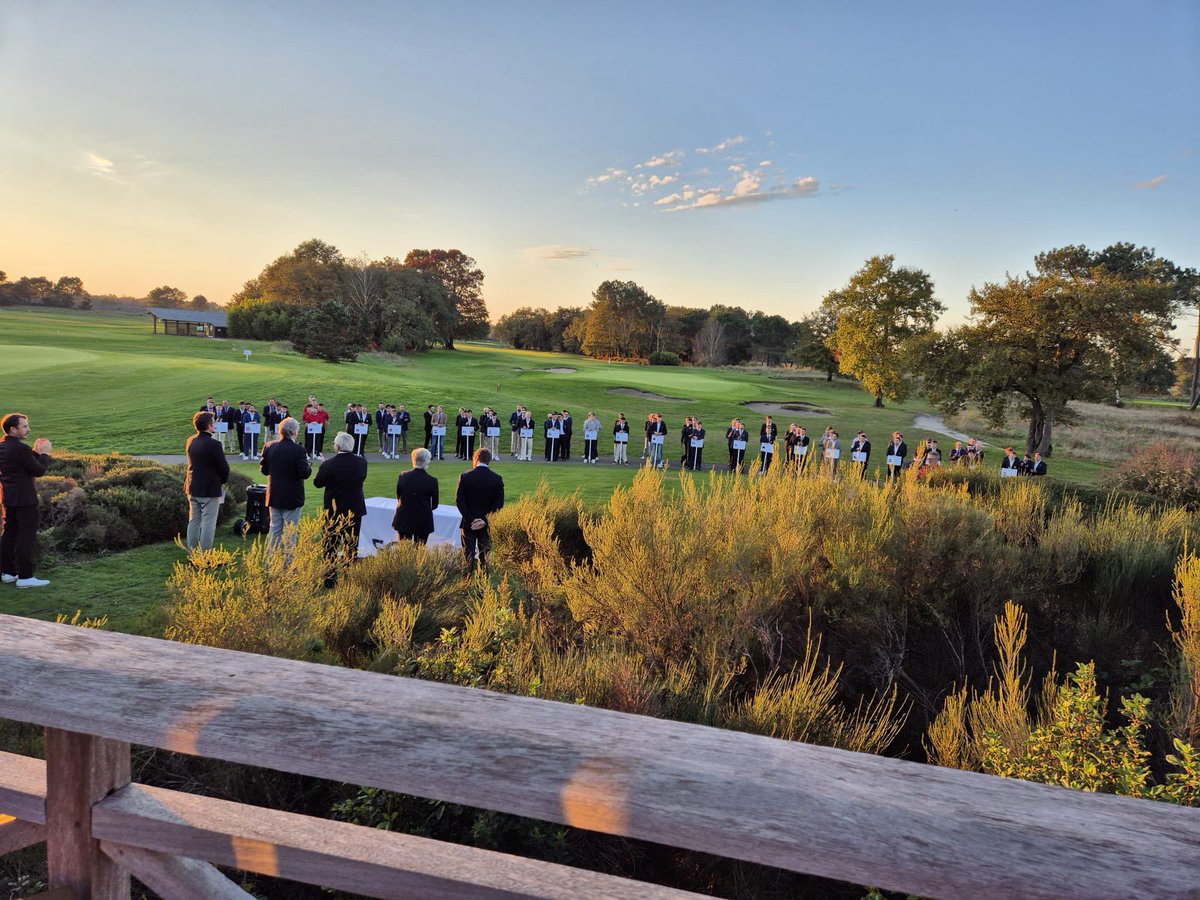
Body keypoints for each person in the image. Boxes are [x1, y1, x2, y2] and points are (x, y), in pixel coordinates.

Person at [0, 413, 52, 588]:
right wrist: (44, 453)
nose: (28, 429)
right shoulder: (20, 449)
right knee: (26, 537)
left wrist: (35, 452)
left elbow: (25, 464)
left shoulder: (3, 446)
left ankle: (8, 572)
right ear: (13, 429)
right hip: (25, 500)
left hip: (9, 498)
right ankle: (25, 577)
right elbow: (38, 471)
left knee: (9, 533)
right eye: (24, 426)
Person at [313, 431, 368, 585]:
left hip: (334, 510)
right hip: (354, 508)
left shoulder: (328, 464)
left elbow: (318, 483)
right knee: (351, 544)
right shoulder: (361, 462)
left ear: (337, 447)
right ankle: (348, 575)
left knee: (330, 544)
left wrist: (324, 466)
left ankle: (329, 578)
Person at [259, 417, 312, 554]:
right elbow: (304, 474)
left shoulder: (269, 446)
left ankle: (271, 564)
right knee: (290, 533)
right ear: (294, 432)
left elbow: (264, 470)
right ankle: (288, 567)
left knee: (275, 529)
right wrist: (308, 465)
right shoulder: (299, 450)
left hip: (274, 494)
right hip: (291, 496)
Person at [184, 411, 230, 553]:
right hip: (209, 488)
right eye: (213, 422)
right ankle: (205, 554)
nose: (215, 424)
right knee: (208, 522)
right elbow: (224, 467)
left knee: (194, 521)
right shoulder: (214, 444)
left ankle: (193, 552)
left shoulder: (191, 440)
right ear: (209, 426)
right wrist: (222, 481)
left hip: (192, 486)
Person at [456, 447, 505, 575]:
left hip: (468, 523)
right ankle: (483, 588)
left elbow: (460, 501)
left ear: (476, 458)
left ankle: (465, 585)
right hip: (486, 524)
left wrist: (471, 519)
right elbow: (499, 504)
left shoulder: (465, 477)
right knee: (484, 557)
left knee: (467, 555)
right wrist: (484, 520)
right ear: (489, 460)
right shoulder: (496, 479)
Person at [393, 448, 440, 544]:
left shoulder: (403, 476)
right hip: (422, 519)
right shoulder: (432, 481)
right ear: (427, 461)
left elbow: (399, 496)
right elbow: (434, 505)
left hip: (404, 517)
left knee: (404, 551)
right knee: (420, 550)